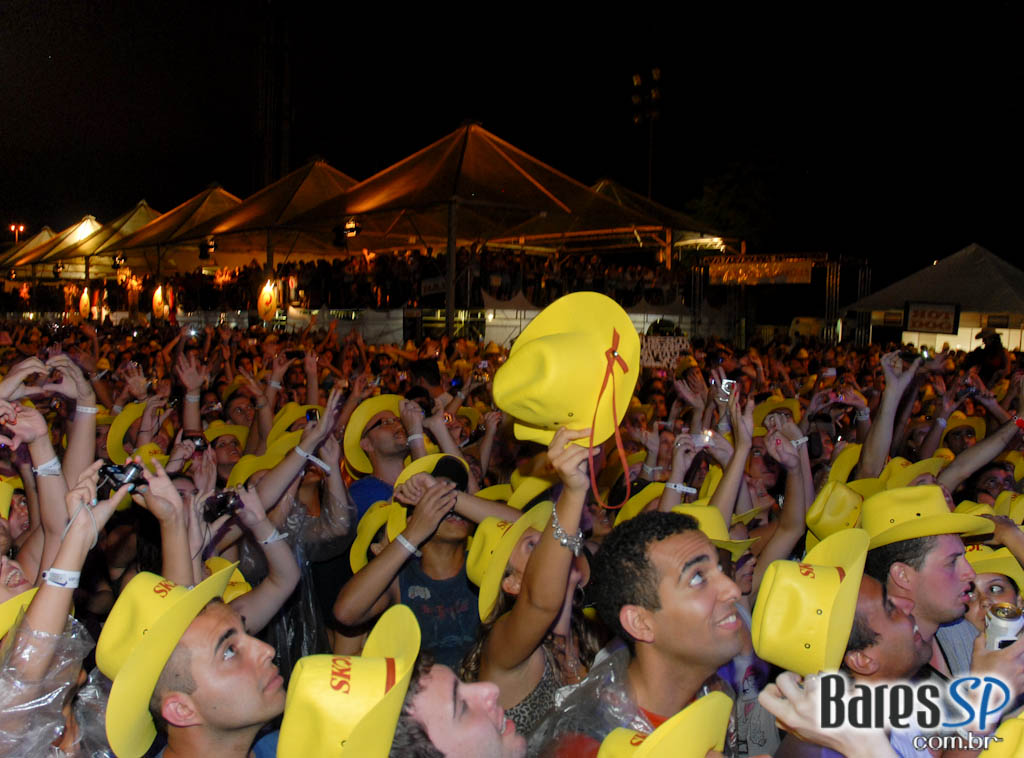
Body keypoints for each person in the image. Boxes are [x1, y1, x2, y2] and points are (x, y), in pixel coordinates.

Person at [528, 510, 744, 757]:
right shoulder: (588, 745)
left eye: (720, 569)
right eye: (697, 578)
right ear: (641, 623)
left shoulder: (715, 694)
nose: (732, 589)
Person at [96, 565, 284, 758]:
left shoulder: (292, 746)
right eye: (229, 651)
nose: (267, 651)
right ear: (181, 710)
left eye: (246, 632)